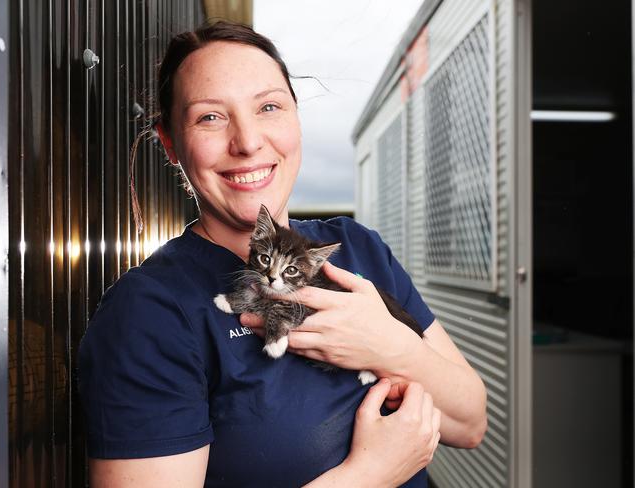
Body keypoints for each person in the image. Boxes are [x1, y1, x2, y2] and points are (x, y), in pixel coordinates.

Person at [78, 21, 487, 487]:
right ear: (170, 143)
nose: (248, 142)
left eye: (269, 106)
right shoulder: (150, 313)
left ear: (296, 117)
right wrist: (369, 474)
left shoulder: (358, 247)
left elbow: (470, 422)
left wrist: (390, 346)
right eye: (210, 116)